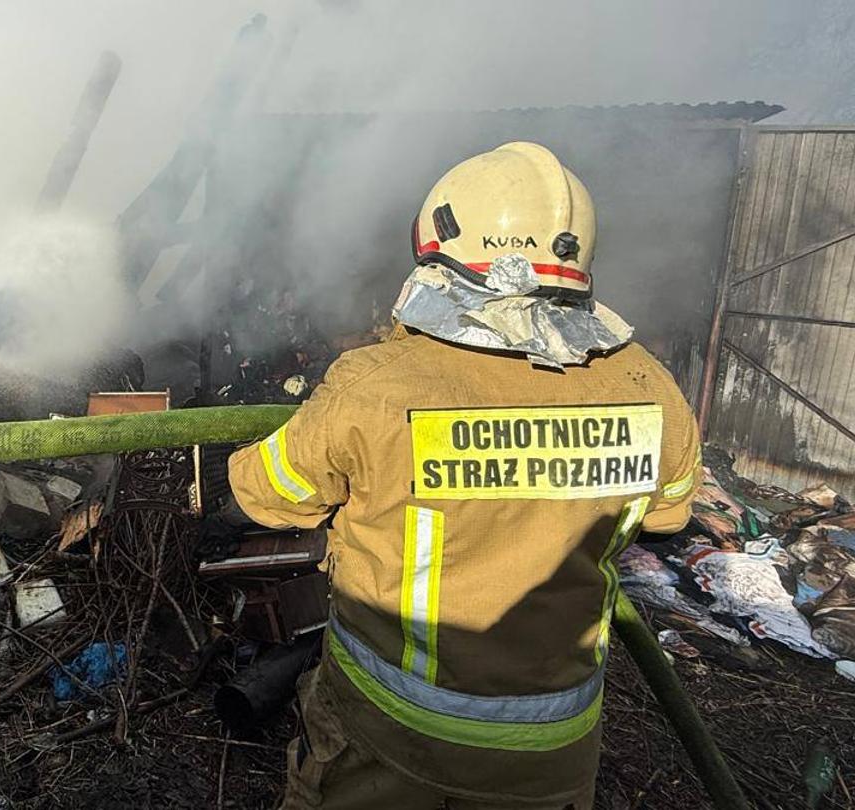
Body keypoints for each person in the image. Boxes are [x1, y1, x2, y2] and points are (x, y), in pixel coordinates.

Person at [224, 142, 702, 809]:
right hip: (553, 753)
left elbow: (268, 494)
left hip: (391, 738)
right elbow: (670, 516)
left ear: (437, 249)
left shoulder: (379, 384)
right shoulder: (649, 385)